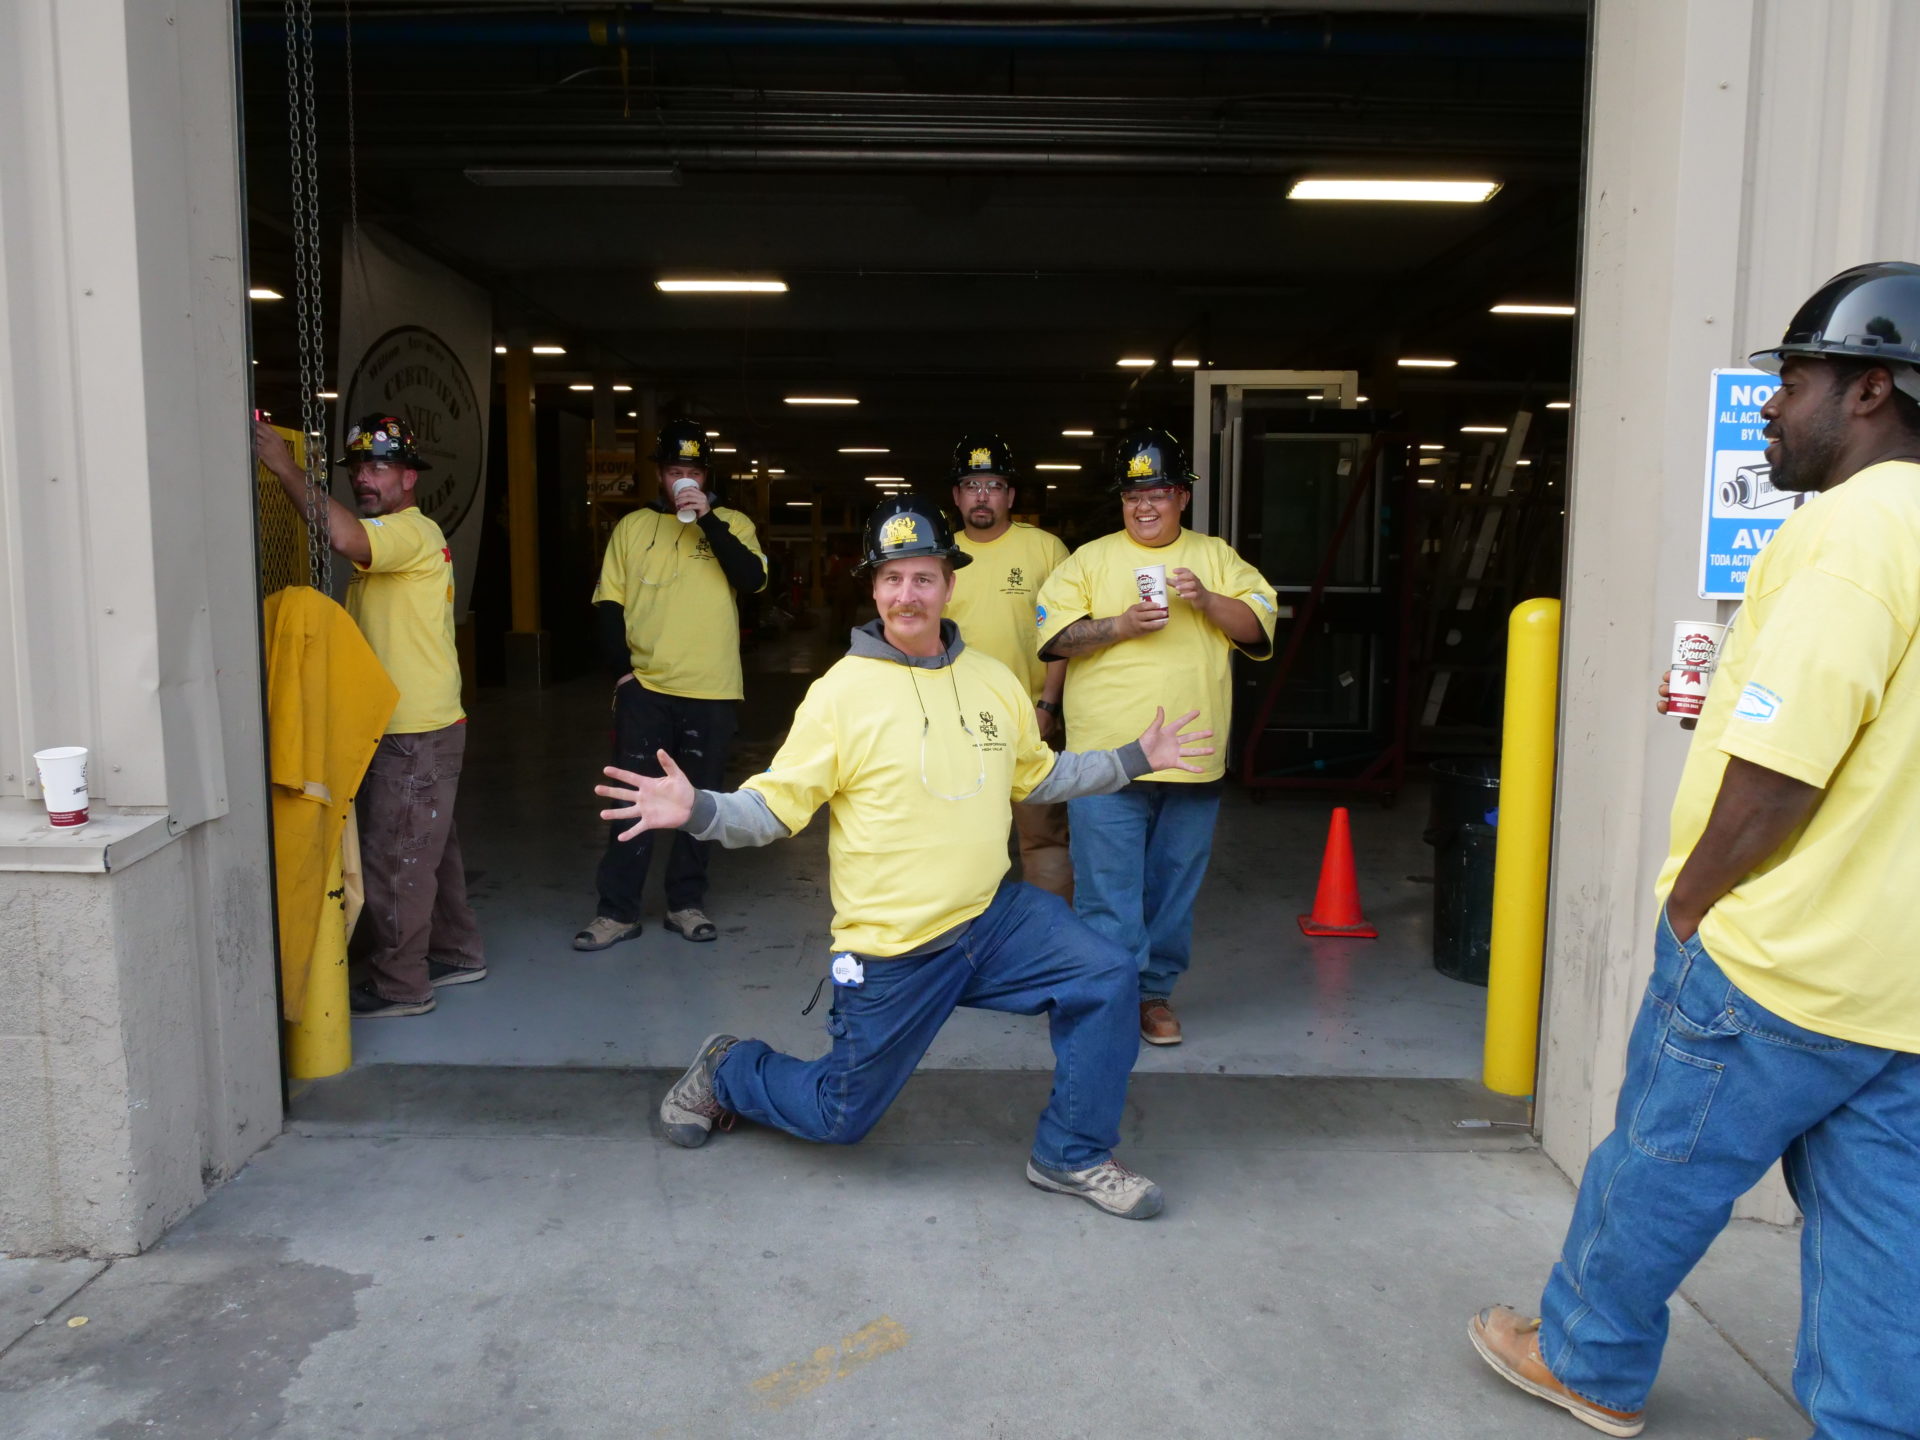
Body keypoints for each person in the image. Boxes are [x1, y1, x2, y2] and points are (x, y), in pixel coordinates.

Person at [1468, 261, 1920, 1440]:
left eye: (1799, 376)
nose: (1772, 403)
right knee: (1886, 1231)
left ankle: (1588, 1361)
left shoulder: (1856, 535)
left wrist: (1692, 908)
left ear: (1873, 389)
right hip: (1904, 985)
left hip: (1782, 962)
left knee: (1658, 1172)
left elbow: (1779, 770)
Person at [596, 496, 1215, 1219]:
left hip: (991, 918)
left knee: (1108, 973)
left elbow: (1038, 775)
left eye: (922, 578)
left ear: (949, 584)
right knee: (839, 1115)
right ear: (873, 589)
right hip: (894, 949)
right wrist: (699, 807)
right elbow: (773, 809)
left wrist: (1135, 757)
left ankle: (1071, 1153)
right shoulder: (840, 695)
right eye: (891, 580)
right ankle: (728, 1068)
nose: (907, 595)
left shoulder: (990, 679)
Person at [1035, 428, 1278, 1046]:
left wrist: (1208, 599)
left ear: (1182, 498)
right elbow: (1053, 639)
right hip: (1108, 760)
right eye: (1132, 494)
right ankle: (1106, 997)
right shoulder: (1087, 561)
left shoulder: (1217, 556)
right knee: (1107, 888)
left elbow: (1256, 626)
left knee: (1172, 888)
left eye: (1159, 492)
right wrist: (1117, 625)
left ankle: (1152, 994)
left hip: (1193, 757)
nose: (1145, 505)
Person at [254, 413, 485, 1017]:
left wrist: (282, 465)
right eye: (358, 466)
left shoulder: (406, 531)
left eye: (380, 466)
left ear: (411, 476)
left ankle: (401, 983)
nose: (365, 477)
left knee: (396, 857)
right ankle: (456, 949)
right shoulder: (402, 533)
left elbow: (346, 537)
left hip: (412, 730)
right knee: (430, 846)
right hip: (424, 724)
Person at [575, 419, 766, 951]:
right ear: (661, 475)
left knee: (700, 803)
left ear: (707, 478)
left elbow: (752, 580)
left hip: (712, 690)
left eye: (694, 472)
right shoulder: (633, 527)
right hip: (648, 691)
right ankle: (616, 912)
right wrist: (623, 676)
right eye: (675, 471)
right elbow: (608, 605)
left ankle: (686, 904)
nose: (684, 480)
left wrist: (709, 524)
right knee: (630, 802)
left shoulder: (733, 524)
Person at [941, 433, 1075, 900]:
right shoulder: (939, 555)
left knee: (1042, 836)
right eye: (971, 485)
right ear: (957, 496)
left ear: (1010, 496)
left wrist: (1048, 706)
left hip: (1031, 718)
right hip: (954, 721)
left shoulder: (1045, 550)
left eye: (993, 485)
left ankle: (1049, 937)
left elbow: (1063, 636)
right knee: (962, 837)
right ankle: (962, 938)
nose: (982, 495)